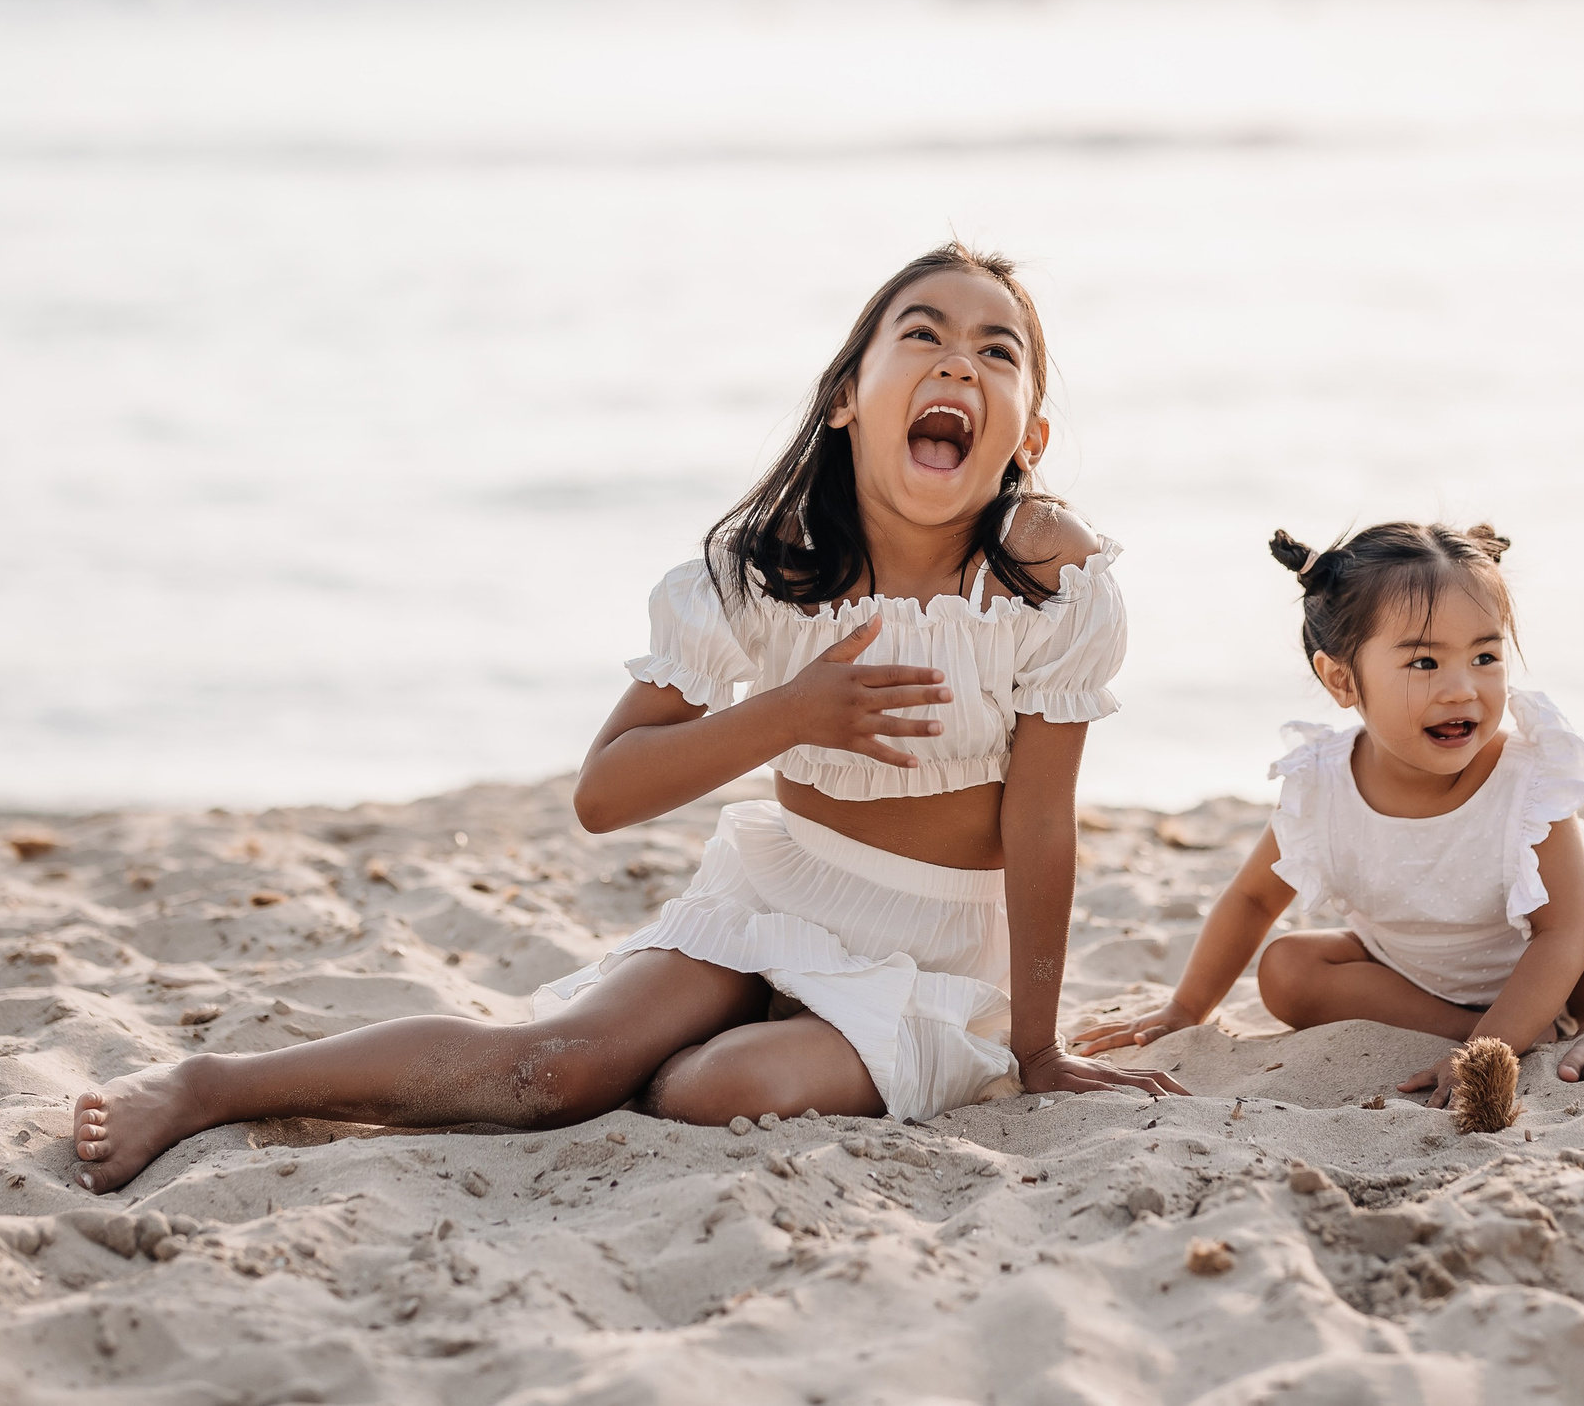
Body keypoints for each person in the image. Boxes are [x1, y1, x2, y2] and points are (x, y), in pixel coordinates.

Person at [68, 243, 1178, 1193]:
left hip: (936, 952)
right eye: (923, 334)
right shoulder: (770, 574)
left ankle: (725, 1041)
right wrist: (789, 714)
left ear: (1028, 436)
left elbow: (1041, 821)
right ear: (846, 396)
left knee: (714, 1089)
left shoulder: (1047, 580)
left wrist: (1037, 1047)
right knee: (552, 1071)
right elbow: (605, 794)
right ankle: (213, 1084)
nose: (958, 361)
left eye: (997, 351)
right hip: (774, 897)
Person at [1072, 522, 1584, 1105]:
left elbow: (1562, 934)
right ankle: (1501, 1027)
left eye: (1485, 656)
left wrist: (1490, 1053)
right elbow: (1251, 899)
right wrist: (1186, 1006)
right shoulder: (1323, 786)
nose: (1462, 688)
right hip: (1426, 983)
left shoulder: (1527, 779)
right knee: (1286, 970)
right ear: (1341, 679)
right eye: (1424, 661)